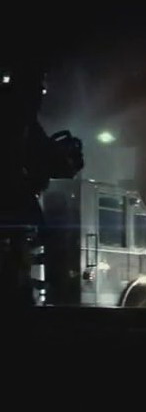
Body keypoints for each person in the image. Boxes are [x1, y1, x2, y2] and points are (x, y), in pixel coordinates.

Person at [1, 58, 84, 309]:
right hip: (11, 199)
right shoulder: (18, 115)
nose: (40, 95)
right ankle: (48, 293)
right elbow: (38, 154)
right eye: (38, 88)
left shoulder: (19, 114)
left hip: (14, 197)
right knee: (48, 236)